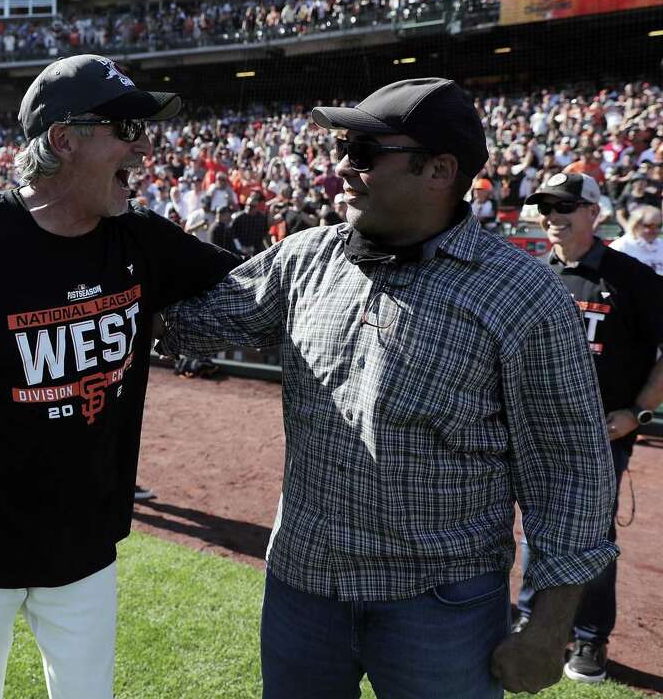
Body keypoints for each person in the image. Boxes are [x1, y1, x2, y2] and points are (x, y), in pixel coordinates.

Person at [160, 78, 618, 698]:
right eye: (343, 149)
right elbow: (190, 322)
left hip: (439, 604)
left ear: (439, 169)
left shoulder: (522, 296)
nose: (341, 167)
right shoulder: (306, 257)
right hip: (303, 587)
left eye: (365, 153)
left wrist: (548, 628)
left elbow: (571, 472)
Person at [0, 53, 238, 699]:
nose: (144, 148)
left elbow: (247, 285)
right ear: (64, 140)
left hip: (85, 548)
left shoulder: (142, 238)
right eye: (126, 130)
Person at [515, 173, 663, 683]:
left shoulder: (635, 277)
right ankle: (534, 621)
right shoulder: (532, 275)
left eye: (565, 207)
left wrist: (638, 412)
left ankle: (590, 638)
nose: (553, 216)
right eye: (545, 207)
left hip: (602, 434)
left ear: (594, 213)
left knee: (593, 536)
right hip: (538, 432)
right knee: (537, 528)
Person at [609, 205, 663, 274]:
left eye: (659, 226)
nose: (655, 230)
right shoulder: (620, 247)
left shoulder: (661, 244)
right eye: (650, 226)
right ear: (635, 224)